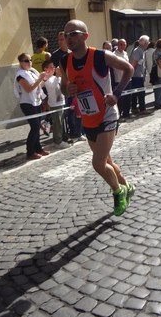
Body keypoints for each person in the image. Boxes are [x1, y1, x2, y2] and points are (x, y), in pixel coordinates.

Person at [59, 19, 134, 216]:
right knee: (106, 159)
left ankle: (118, 192)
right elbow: (63, 86)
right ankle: (127, 185)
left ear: (85, 36)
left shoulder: (100, 56)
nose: (68, 38)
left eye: (73, 33)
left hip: (107, 115)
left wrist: (116, 94)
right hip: (88, 118)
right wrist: (68, 89)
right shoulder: (65, 61)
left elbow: (129, 69)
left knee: (98, 163)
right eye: (65, 35)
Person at [14, 53, 50, 160]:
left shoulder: (32, 71)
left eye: (30, 60)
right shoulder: (20, 75)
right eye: (26, 60)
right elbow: (28, 89)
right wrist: (40, 79)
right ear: (20, 62)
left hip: (36, 101)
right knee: (34, 127)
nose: (29, 62)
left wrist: (44, 79)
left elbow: (39, 85)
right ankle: (30, 151)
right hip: (27, 103)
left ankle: (38, 148)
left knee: (37, 125)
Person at [42, 60, 70, 149]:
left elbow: (63, 84)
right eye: (51, 67)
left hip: (61, 102)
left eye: (53, 67)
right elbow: (53, 86)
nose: (53, 68)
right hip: (54, 104)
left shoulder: (56, 78)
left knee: (60, 123)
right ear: (45, 69)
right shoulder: (47, 80)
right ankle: (58, 141)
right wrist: (57, 75)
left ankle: (57, 140)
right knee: (57, 123)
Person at [130, 35, 150, 115]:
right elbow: (134, 63)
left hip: (138, 75)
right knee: (141, 93)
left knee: (136, 93)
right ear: (144, 43)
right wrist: (131, 75)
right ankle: (142, 109)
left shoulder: (141, 50)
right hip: (136, 76)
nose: (148, 44)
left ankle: (135, 108)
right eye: (147, 42)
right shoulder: (138, 51)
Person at [113, 38, 132, 118]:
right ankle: (119, 115)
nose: (123, 46)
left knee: (128, 97)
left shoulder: (125, 53)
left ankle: (126, 113)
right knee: (120, 99)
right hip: (119, 79)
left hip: (127, 79)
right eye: (121, 44)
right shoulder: (114, 54)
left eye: (124, 44)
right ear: (118, 45)